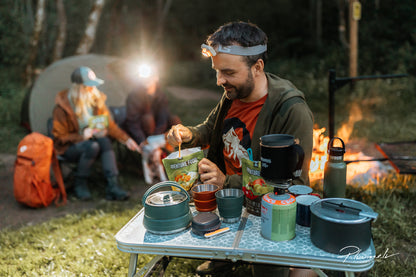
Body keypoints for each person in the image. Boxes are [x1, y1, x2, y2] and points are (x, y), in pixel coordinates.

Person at [166, 22, 315, 276]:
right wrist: (189, 134)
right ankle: (226, 256)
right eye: (216, 71)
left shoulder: (291, 110)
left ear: (257, 67)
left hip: (267, 208)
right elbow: (210, 128)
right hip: (229, 202)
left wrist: (226, 181)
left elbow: (291, 184)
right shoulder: (232, 95)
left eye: (227, 72)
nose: (219, 80)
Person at [52, 66, 140, 201]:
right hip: (70, 148)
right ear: (78, 88)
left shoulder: (95, 100)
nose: (92, 89)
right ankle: (80, 184)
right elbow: (59, 137)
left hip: (93, 142)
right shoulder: (63, 107)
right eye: (88, 86)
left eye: (93, 85)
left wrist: (126, 139)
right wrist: (82, 136)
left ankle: (113, 186)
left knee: (103, 141)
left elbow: (109, 125)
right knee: (92, 146)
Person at [123, 67, 181, 146]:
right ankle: (150, 146)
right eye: (144, 77)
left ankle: (167, 146)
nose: (147, 79)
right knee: (148, 119)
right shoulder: (134, 96)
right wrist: (141, 140)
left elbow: (163, 116)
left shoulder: (161, 95)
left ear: (156, 78)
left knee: (175, 121)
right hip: (142, 129)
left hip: (157, 130)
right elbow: (132, 121)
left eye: (150, 76)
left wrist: (158, 135)